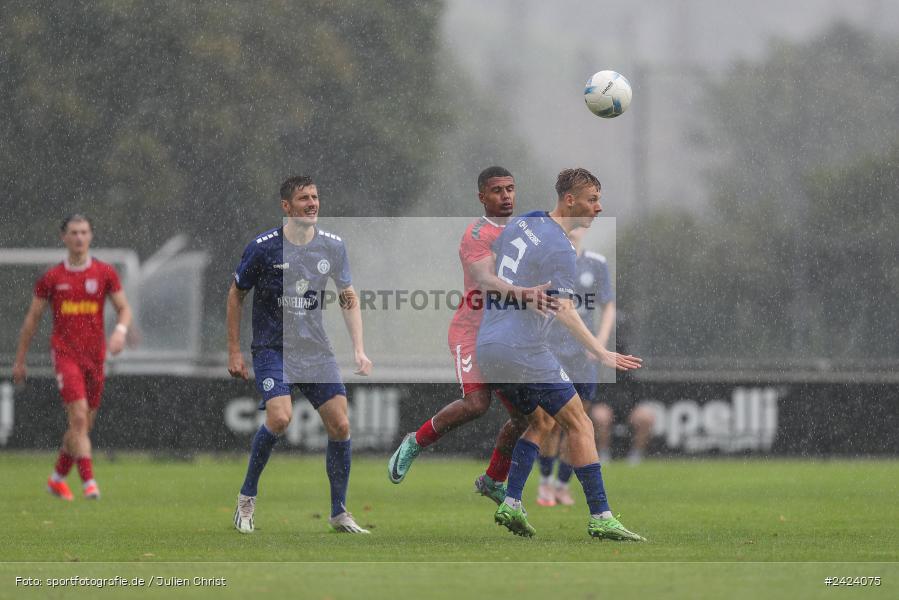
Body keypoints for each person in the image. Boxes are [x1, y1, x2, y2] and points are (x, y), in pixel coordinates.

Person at [477, 168, 646, 540]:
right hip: (522, 347)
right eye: (592, 200)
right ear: (570, 200)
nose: (598, 208)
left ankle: (512, 501)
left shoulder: (526, 221)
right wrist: (601, 350)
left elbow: (492, 262)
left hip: (488, 344)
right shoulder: (561, 250)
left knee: (539, 422)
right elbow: (565, 310)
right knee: (580, 423)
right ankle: (601, 515)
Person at [387, 166, 554, 504]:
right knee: (477, 404)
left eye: (510, 189)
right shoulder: (477, 234)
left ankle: (493, 480)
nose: (506, 196)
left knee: (527, 418)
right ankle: (415, 441)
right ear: (482, 197)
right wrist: (526, 295)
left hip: (504, 335)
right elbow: (486, 280)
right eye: (497, 190)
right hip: (471, 332)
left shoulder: (523, 232)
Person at [228, 175, 373, 534]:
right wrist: (234, 350)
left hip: (315, 350)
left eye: (315, 197)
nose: (312, 204)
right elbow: (236, 294)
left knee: (341, 425)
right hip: (272, 349)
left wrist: (359, 348)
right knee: (280, 418)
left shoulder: (333, 246)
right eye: (304, 198)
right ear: (286, 207)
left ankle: (339, 513)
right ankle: (246, 500)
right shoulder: (262, 247)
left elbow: (348, 295)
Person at [13, 214, 133, 501]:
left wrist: (120, 332)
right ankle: (89, 482)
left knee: (83, 426)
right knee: (78, 418)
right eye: (74, 233)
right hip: (65, 355)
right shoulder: (52, 278)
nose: (79, 237)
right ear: (64, 237)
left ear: (91, 236)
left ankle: (56, 479)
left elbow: (124, 309)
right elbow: (32, 319)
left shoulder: (104, 273)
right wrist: (20, 359)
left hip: (95, 356)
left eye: (84, 232)